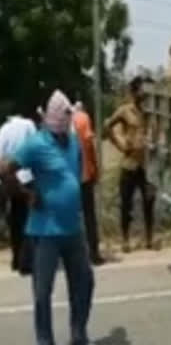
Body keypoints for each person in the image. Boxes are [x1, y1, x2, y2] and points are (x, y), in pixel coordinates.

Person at [0, 90, 108, 345]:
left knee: (84, 282)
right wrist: (26, 194)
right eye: (64, 118)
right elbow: (6, 169)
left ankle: (79, 340)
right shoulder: (35, 144)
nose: (66, 124)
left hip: (73, 228)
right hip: (44, 231)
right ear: (52, 120)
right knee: (43, 291)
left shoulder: (72, 142)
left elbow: (73, 177)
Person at [105, 76, 156, 253]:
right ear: (134, 92)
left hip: (148, 165)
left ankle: (149, 238)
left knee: (149, 202)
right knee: (126, 204)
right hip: (129, 163)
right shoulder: (125, 111)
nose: (145, 94)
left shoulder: (155, 111)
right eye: (142, 90)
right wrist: (120, 144)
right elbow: (107, 126)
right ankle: (125, 240)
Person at [0, 103, 37, 274]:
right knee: (28, 218)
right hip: (27, 175)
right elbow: (35, 147)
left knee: (15, 218)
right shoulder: (29, 125)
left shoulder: (4, 129)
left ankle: (16, 258)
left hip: (10, 178)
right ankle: (27, 260)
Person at [72, 101, 104, 265]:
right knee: (89, 216)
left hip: (66, 178)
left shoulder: (58, 120)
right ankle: (94, 253)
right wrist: (95, 169)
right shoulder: (83, 118)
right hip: (84, 175)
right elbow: (89, 145)